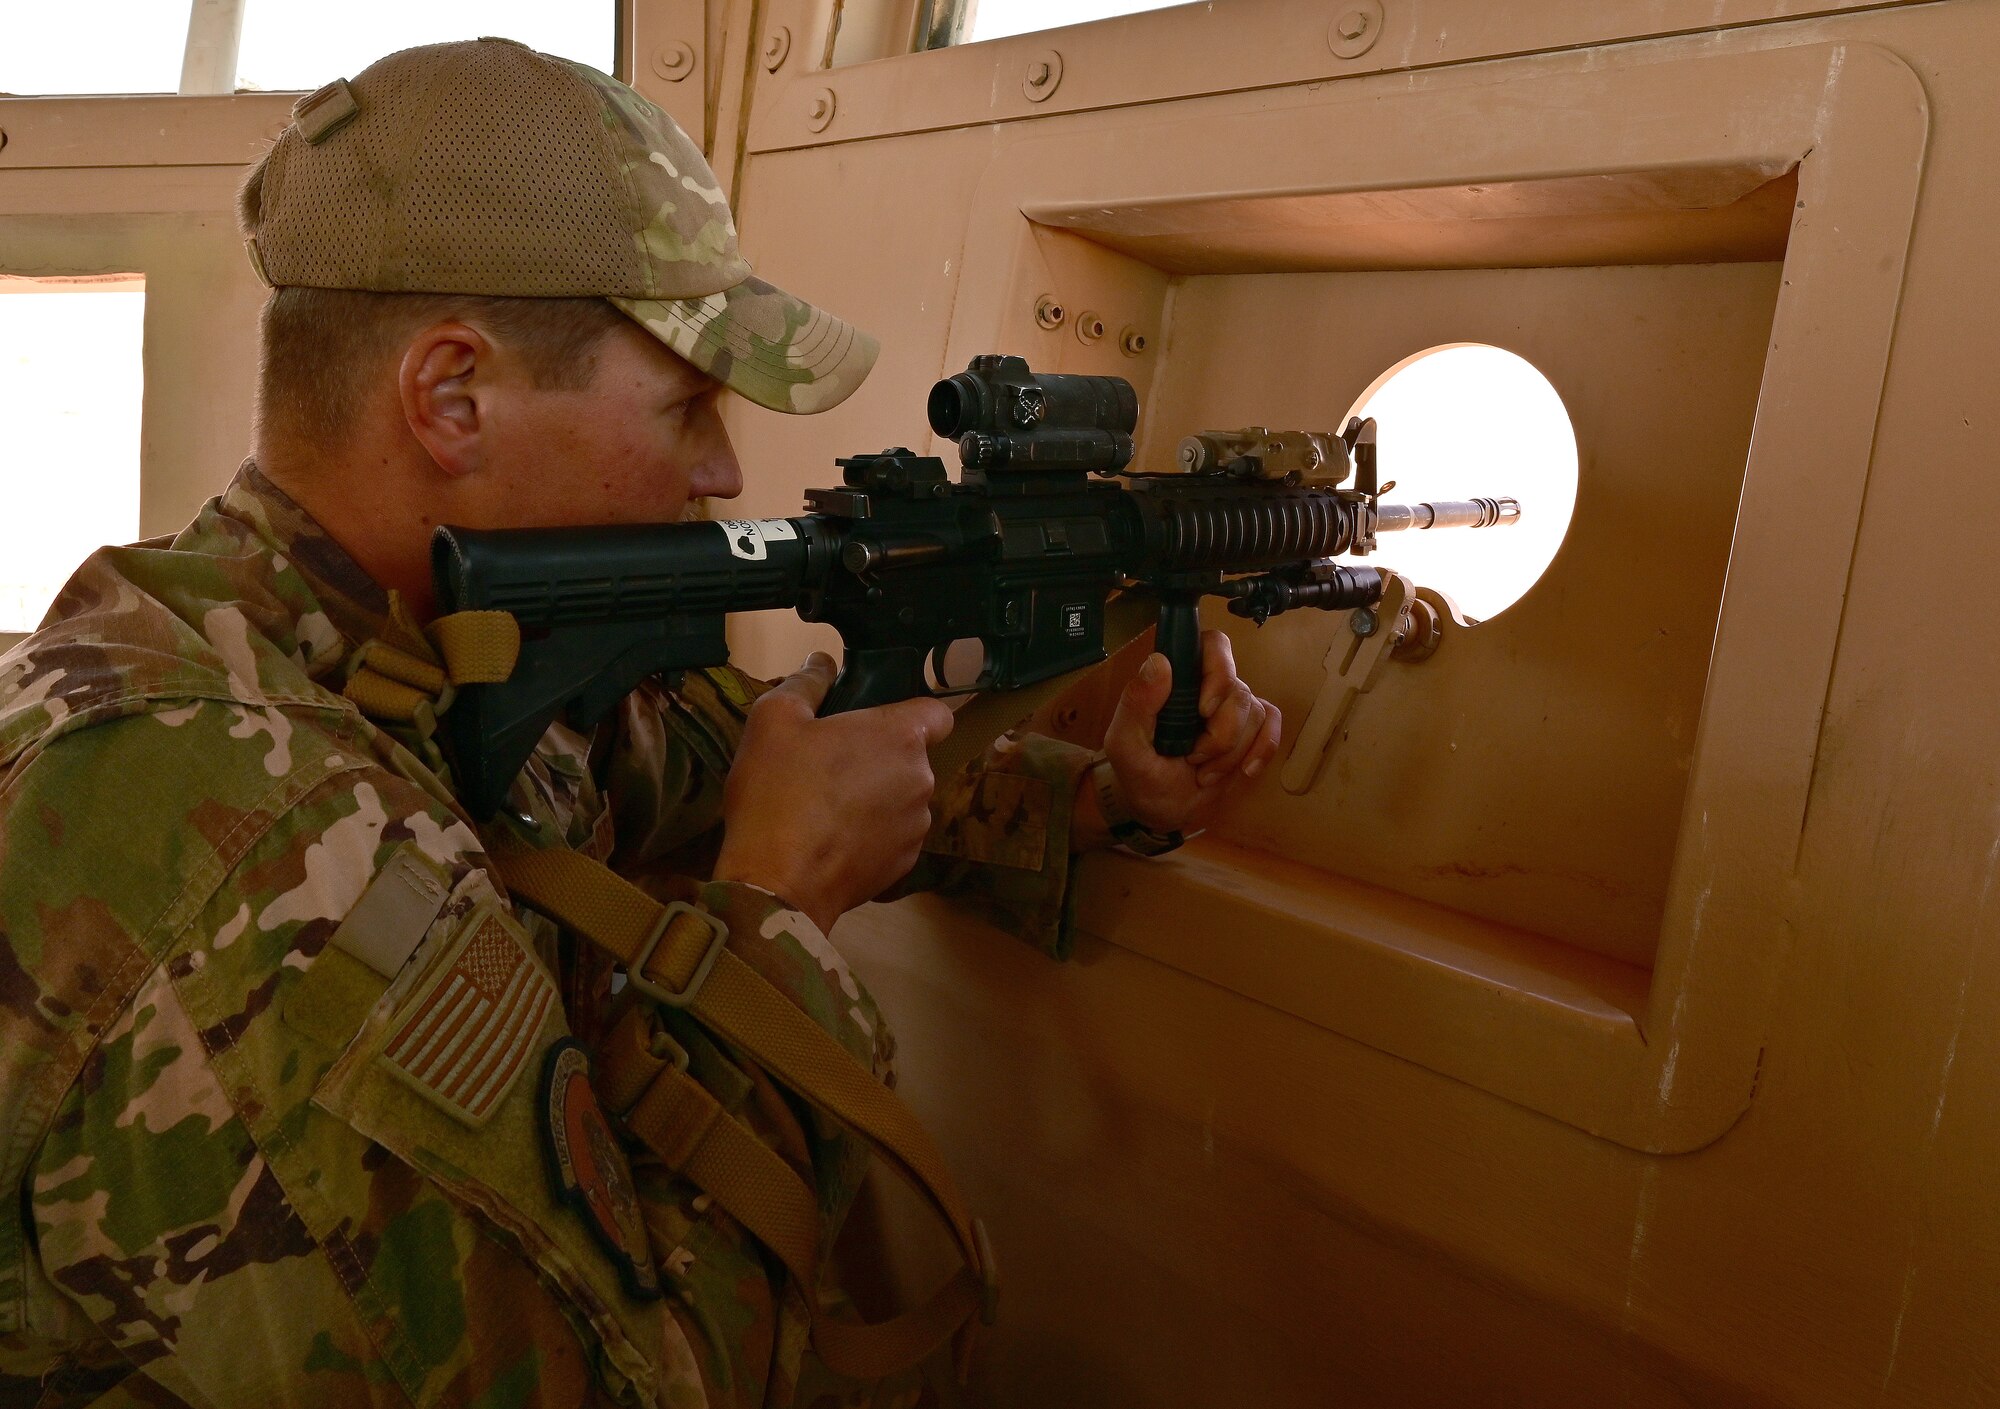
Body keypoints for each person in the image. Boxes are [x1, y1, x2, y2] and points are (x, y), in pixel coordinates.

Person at [0, 38, 1280, 1409]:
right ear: (450, 397)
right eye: (686, 402)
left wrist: (1095, 798)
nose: (724, 468)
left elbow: (733, 754)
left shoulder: (384, 649)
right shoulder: (256, 852)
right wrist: (779, 913)